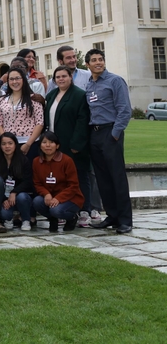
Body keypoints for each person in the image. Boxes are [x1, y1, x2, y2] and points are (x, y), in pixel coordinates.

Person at [85, 48, 133, 234]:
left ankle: (125, 220)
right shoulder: (89, 85)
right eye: (94, 60)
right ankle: (112, 216)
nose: (98, 62)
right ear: (87, 64)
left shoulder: (115, 81)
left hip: (110, 132)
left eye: (101, 59)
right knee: (103, 179)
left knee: (117, 178)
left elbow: (125, 110)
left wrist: (115, 133)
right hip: (95, 134)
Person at [44, 65, 92, 227]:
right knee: (61, 180)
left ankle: (85, 210)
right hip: (55, 146)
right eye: (58, 77)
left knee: (80, 178)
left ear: (71, 77)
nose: (61, 79)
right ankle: (67, 210)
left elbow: (82, 121)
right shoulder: (51, 95)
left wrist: (76, 145)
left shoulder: (79, 95)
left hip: (73, 146)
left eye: (64, 76)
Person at [32, 132, 84, 232]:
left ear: (57, 145)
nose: (47, 145)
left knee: (55, 210)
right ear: (40, 145)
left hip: (70, 198)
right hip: (50, 196)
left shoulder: (67, 161)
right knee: (37, 202)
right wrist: (46, 194)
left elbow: (73, 185)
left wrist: (58, 199)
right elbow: (37, 183)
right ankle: (53, 219)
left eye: (51, 142)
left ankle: (72, 217)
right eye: (44, 142)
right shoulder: (36, 162)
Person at [0, 67, 44, 161]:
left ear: (23, 80)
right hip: (9, 146)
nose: (15, 82)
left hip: (30, 143)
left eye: (17, 78)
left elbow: (39, 123)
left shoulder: (34, 99)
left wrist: (28, 144)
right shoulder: (1, 100)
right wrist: (6, 142)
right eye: (12, 79)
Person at [0, 133, 34, 230]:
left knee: (23, 197)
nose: (7, 146)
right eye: (3, 144)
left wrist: (14, 192)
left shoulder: (23, 160)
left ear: (15, 145)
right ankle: (8, 219)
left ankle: (26, 220)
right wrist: (4, 199)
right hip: (4, 196)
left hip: (19, 195)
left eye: (10, 143)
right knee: (5, 214)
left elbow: (28, 181)